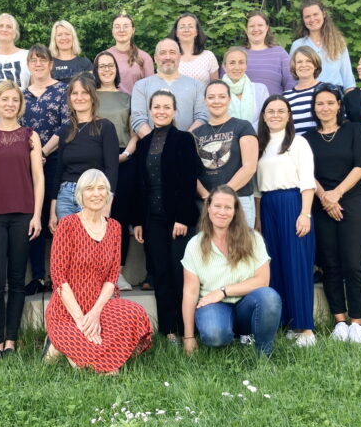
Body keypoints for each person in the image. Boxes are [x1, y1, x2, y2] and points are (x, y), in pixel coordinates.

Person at [43, 169, 152, 374]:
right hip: (68, 310)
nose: (96, 194)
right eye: (90, 189)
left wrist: (94, 314)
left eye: (101, 188)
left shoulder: (114, 227)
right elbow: (59, 278)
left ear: (107, 194)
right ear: (80, 194)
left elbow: (112, 277)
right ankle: (58, 343)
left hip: (100, 306)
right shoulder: (68, 224)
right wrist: (81, 320)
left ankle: (76, 346)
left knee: (135, 313)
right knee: (103, 371)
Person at [0, 81, 44, 358]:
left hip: (23, 214)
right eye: (4, 99)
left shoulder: (30, 136)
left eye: (15, 100)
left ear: (20, 104)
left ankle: (11, 340)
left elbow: (38, 178)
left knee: (17, 280)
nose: (10, 104)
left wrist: (36, 215)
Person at [132, 90, 203, 343]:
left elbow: (189, 180)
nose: (161, 111)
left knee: (179, 274)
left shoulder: (184, 139)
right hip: (152, 219)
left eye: (166, 107)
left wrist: (182, 217)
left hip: (178, 219)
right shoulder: (143, 144)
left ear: (174, 111)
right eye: (157, 107)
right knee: (160, 273)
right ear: (150, 111)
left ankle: (187, 331)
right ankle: (168, 331)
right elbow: (139, 185)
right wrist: (138, 221)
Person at [181, 185, 282, 356]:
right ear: (208, 208)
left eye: (228, 207)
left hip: (247, 303)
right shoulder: (195, 245)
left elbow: (262, 280)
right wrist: (189, 337)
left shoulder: (253, 239)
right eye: (217, 206)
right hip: (214, 305)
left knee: (269, 297)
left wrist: (223, 291)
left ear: (235, 211)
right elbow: (190, 292)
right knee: (215, 335)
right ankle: (232, 336)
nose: (222, 212)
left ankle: (264, 354)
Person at [305, 84, 361, 344]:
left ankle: (357, 322)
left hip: (351, 201)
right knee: (330, 264)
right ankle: (340, 321)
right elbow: (307, 173)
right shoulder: (308, 138)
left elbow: (360, 166)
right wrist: (325, 198)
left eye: (330, 102)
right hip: (321, 205)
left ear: (339, 105)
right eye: (320, 103)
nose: (325, 108)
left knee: (353, 264)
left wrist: (337, 194)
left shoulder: (354, 130)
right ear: (314, 108)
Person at [255, 96, 316, 346]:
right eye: (271, 111)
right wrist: (258, 221)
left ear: (289, 115)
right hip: (267, 205)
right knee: (275, 265)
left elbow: (308, 181)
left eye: (281, 111)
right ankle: (287, 323)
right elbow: (257, 190)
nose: (276, 115)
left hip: (293, 203)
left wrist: (305, 213)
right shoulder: (259, 144)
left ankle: (305, 328)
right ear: (264, 115)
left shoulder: (298, 143)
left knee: (296, 264)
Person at [21, 44, 68, 295]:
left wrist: (43, 152)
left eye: (42, 60)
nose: (38, 64)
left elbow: (66, 125)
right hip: (27, 163)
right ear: (28, 64)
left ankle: (60, 277)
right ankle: (38, 276)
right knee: (35, 216)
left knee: (56, 216)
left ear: (50, 64)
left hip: (56, 159)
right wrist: (32, 156)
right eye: (33, 60)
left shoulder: (62, 90)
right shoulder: (22, 95)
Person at [49, 76, 119, 232]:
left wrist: (107, 205)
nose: (79, 97)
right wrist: (53, 210)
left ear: (92, 97)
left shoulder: (105, 127)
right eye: (75, 93)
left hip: (93, 195)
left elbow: (112, 169)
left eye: (84, 93)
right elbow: (59, 171)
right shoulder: (65, 130)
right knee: (67, 244)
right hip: (65, 196)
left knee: (89, 244)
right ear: (69, 98)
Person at [93, 51, 137, 291]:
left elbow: (134, 132)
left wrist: (126, 154)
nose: (106, 69)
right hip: (96, 160)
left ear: (116, 70)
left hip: (123, 159)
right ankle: (96, 273)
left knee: (119, 217)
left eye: (110, 65)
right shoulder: (90, 96)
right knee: (96, 216)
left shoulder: (126, 98)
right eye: (102, 66)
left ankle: (117, 273)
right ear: (95, 70)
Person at [193, 80, 258, 226]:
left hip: (238, 199)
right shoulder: (196, 134)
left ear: (229, 99)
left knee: (241, 241)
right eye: (211, 97)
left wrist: (222, 195)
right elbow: (191, 172)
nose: (216, 101)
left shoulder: (243, 126)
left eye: (222, 96)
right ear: (205, 101)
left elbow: (249, 167)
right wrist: (206, 196)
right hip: (207, 203)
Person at [130, 38, 208, 136]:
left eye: (172, 52)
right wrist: (155, 141)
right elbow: (138, 119)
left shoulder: (197, 85)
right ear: (155, 58)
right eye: (162, 53)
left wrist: (185, 140)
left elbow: (202, 117)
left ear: (179, 57)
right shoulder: (141, 86)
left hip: (188, 144)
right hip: (151, 144)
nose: (168, 57)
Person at [289, 0, 355, 91]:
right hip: (307, 93)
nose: (312, 19)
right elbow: (292, 78)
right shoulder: (297, 45)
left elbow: (347, 78)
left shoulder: (338, 42)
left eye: (315, 14)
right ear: (303, 20)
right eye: (307, 16)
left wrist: (350, 96)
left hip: (334, 94)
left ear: (324, 14)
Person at [243, 10, 295, 95]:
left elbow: (291, 82)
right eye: (251, 26)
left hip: (275, 103)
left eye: (260, 25)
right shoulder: (237, 54)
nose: (256, 29)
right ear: (246, 29)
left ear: (267, 28)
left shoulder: (279, 53)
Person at [219, 47, 268, 128]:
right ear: (224, 66)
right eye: (232, 63)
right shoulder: (216, 91)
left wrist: (247, 133)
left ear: (246, 65)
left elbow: (265, 118)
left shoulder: (261, 90)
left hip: (256, 134)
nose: (237, 67)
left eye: (241, 62)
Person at [106, 13, 154, 95]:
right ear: (112, 31)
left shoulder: (144, 57)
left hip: (136, 103)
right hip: (109, 102)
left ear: (133, 30)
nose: (121, 30)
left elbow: (150, 90)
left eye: (126, 26)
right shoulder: (104, 57)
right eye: (117, 27)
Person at [0, 13, 30, 89]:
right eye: (0, 26)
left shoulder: (27, 56)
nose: (4, 29)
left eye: (9, 27)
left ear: (15, 33)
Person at [168, 13, 219, 86]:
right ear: (176, 33)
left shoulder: (208, 56)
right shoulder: (168, 57)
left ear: (196, 32)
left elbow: (216, 87)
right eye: (182, 27)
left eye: (191, 26)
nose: (186, 30)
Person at [282, 46, 323, 135]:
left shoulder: (327, 90)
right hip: (296, 143)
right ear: (294, 66)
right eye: (299, 62)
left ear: (315, 65)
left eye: (308, 61)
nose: (304, 65)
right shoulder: (285, 97)